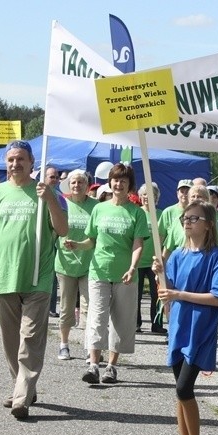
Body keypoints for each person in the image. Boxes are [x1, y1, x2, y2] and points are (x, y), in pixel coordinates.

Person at [0, 140, 68, 420]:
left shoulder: (46, 193)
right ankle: (24, 383)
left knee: (30, 338)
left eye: (21, 159)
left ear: (31, 162)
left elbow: (61, 229)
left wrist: (49, 200)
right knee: (11, 340)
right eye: (11, 159)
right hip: (4, 275)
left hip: (38, 275)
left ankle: (22, 396)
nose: (15, 164)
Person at [152, 200, 218, 435]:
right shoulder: (176, 256)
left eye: (194, 218)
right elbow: (168, 292)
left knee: (185, 389)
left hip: (200, 332)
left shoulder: (215, 257)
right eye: (185, 218)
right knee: (179, 392)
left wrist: (178, 294)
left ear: (208, 224)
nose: (187, 222)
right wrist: (161, 275)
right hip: (179, 328)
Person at [64, 163, 148, 385]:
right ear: (109, 182)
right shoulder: (99, 209)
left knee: (121, 321)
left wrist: (132, 268)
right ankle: (93, 365)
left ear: (130, 185)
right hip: (98, 271)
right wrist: (76, 245)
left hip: (125, 275)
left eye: (123, 180)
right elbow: (91, 240)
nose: (118, 184)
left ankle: (112, 366)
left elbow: (138, 244)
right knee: (96, 317)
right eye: (115, 179)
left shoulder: (136, 213)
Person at [55, 169, 97, 359]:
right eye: (73, 182)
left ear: (87, 186)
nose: (77, 186)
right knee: (66, 307)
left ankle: (91, 348)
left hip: (90, 264)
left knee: (90, 307)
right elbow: (54, 229)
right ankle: (64, 344)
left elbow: (97, 235)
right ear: (68, 185)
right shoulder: (62, 203)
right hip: (65, 264)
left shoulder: (96, 206)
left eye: (81, 182)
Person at [136, 182, 166, 334]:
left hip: (156, 262)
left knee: (158, 294)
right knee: (136, 295)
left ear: (157, 197)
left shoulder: (161, 214)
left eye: (151, 194)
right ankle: (136, 324)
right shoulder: (136, 212)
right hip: (139, 261)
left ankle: (157, 324)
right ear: (140, 197)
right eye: (144, 194)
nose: (147, 197)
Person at [45, 166, 62, 318]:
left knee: (52, 278)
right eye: (52, 177)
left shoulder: (60, 197)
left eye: (56, 177)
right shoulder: (37, 195)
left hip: (56, 242)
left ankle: (50, 308)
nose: (55, 180)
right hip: (40, 242)